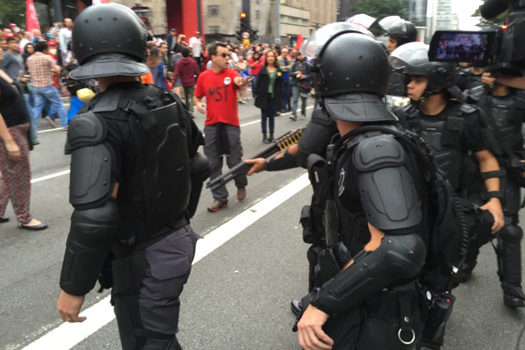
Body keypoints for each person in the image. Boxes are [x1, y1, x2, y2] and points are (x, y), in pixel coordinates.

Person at [56, 4, 209, 350]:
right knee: (158, 339)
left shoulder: (95, 121)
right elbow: (198, 167)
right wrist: (176, 220)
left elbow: (94, 217)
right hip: (175, 240)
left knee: (147, 342)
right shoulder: (166, 99)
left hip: (143, 256)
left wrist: (73, 287)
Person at [290, 25, 427, 350]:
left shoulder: (375, 148)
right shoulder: (361, 139)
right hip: (366, 295)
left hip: (378, 310)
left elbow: (399, 249)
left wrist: (324, 302)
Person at [390, 42, 504, 349]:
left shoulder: (467, 116)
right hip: (413, 212)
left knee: (439, 283)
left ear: (437, 81)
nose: (409, 84)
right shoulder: (404, 118)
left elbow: (486, 159)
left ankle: (431, 338)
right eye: (408, 78)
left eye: (416, 79)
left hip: (453, 214)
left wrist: (494, 200)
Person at [464, 72, 525, 307]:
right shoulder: (473, 98)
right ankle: (466, 265)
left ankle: (512, 289)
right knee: (472, 223)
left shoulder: (520, 99)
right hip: (476, 173)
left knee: (509, 231)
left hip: (508, 173)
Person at [193, 42, 252, 212]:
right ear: (213, 58)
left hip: (230, 125)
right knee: (212, 163)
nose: (227, 58)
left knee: (234, 160)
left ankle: (241, 185)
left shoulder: (231, 73)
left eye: (228, 54)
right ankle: (220, 198)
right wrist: (197, 104)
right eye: (223, 55)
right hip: (211, 126)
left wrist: (242, 82)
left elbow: (238, 80)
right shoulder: (204, 77)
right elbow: (196, 97)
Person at [0, 48, 47, 230]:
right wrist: (9, 141)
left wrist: (17, 82)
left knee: (9, 174)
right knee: (18, 175)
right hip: (9, 132)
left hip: (18, 128)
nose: (1, 48)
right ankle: (24, 217)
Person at [26, 40, 68, 129]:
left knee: (37, 107)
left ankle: (33, 128)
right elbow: (57, 69)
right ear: (44, 49)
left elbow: (31, 71)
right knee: (58, 103)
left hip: (36, 86)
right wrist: (59, 67)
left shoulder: (29, 59)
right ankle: (65, 124)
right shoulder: (47, 57)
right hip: (47, 85)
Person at [254, 50, 283, 144]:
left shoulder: (278, 70)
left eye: (272, 56)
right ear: (266, 58)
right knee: (263, 117)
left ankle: (271, 135)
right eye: (268, 56)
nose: (270, 58)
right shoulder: (262, 70)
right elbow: (257, 83)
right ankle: (264, 135)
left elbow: (280, 84)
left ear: (275, 58)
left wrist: (282, 95)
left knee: (272, 117)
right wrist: (255, 93)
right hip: (263, 96)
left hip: (274, 97)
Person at [172, 47, 200, 113]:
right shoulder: (193, 62)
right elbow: (197, 72)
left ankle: (187, 109)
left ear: (181, 54)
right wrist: (197, 81)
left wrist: (173, 83)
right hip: (191, 81)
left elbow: (176, 73)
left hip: (184, 82)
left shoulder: (179, 63)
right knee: (192, 95)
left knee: (186, 97)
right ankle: (191, 109)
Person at [290, 51, 310, 120]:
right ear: (297, 56)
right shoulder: (294, 64)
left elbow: (310, 75)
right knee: (295, 100)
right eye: (299, 55)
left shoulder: (307, 65)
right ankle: (294, 115)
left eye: (302, 55)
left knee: (304, 101)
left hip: (304, 85)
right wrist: (295, 73)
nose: (300, 57)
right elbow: (290, 73)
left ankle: (303, 113)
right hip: (295, 84)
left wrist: (304, 76)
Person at [277, 48, 293, 112]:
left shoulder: (288, 59)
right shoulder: (278, 59)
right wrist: (286, 68)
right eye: (283, 52)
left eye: (286, 52)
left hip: (288, 77)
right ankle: (282, 107)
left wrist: (285, 67)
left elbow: (291, 66)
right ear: (281, 52)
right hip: (281, 77)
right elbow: (280, 68)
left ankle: (287, 106)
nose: (285, 53)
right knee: (282, 92)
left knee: (288, 93)